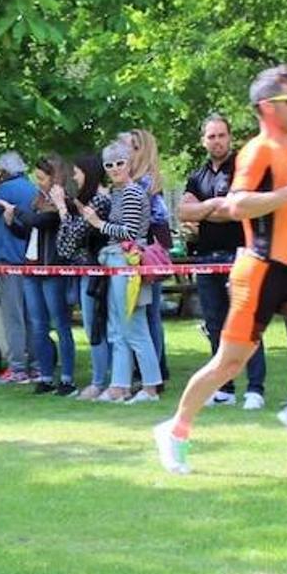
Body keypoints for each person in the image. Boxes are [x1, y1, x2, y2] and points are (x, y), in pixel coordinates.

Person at [155, 65, 287, 475]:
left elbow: (282, 210)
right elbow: (236, 205)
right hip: (258, 273)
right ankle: (174, 429)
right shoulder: (258, 151)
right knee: (228, 365)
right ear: (268, 107)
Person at [180, 114, 267, 409]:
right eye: (211, 136)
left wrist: (205, 210)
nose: (216, 141)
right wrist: (213, 206)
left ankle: (255, 388)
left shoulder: (243, 168)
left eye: (221, 135)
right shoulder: (197, 176)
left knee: (247, 323)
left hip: (240, 255)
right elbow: (184, 212)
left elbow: (239, 210)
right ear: (204, 140)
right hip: (206, 258)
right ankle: (223, 388)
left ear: (230, 137)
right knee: (215, 324)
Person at [80, 139, 163, 404]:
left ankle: (150, 388)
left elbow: (128, 232)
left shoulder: (131, 193)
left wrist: (97, 223)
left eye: (119, 163)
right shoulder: (118, 193)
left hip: (128, 262)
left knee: (134, 326)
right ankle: (120, 385)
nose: (115, 168)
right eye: (109, 164)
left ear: (129, 164)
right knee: (118, 327)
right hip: (116, 260)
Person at [15, 155, 79, 395]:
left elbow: (41, 222)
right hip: (31, 268)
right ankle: (45, 375)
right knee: (38, 324)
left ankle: (67, 377)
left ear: (55, 177)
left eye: (41, 178)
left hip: (52, 268)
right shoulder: (37, 200)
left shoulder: (63, 202)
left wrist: (17, 212)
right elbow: (28, 231)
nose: (38, 182)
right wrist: (13, 221)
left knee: (61, 323)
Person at [0, 151, 38, 383]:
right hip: (31, 259)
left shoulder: (3, 190)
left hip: (8, 259)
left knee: (13, 317)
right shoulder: (32, 189)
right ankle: (36, 365)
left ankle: (17, 367)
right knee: (32, 315)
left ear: (1, 172)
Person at [126, 128, 172, 383]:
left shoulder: (146, 184)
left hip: (146, 254)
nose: (128, 152)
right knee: (147, 314)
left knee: (149, 314)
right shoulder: (139, 182)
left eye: (134, 146)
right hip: (142, 252)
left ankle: (153, 372)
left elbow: (158, 222)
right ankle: (153, 369)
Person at [66, 154, 113, 401]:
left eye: (76, 173)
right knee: (93, 326)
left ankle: (101, 381)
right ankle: (105, 379)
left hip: (99, 273)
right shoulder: (84, 202)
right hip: (86, 272)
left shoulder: (99, 201)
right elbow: (65, 247)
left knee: (98, 327)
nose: (73, 178)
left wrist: (64, 211)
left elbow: (72, 238)